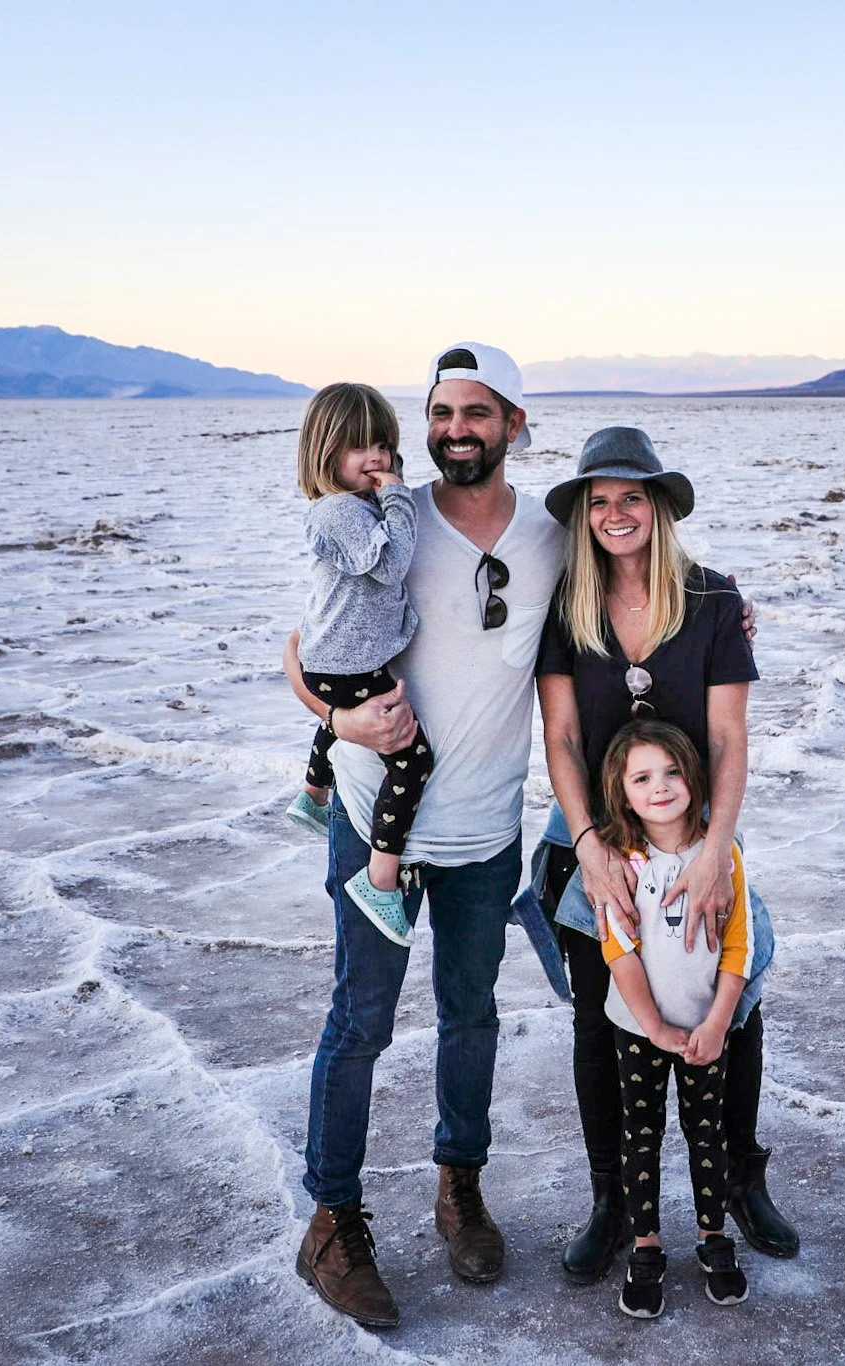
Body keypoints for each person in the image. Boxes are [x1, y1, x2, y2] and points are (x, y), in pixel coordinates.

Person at [282, 343, 560, 1329]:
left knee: (470, 1016)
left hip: (485, 825)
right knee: (360, 1021)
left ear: (513, 423)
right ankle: (331, 1220)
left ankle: (460, 1188)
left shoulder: (550, 534)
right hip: (374, 817)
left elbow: (633, 588)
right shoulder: (381, 519)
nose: (455, 431)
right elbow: (302, 650)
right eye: (441, 414)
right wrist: (337, 721)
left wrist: (722, 608)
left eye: (476, 413)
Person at [534, 425, 800, 1289]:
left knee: (735, 1010)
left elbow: (727, 738)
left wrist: (717, 851)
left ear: (658, 506)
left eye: (631, 497)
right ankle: (612, 1203)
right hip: (594, 840)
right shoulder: (566, 607)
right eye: (599, 501)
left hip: (698, 839)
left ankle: (742, 1182)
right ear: (583, 515)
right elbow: (562, 738)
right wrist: (588, 847)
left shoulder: (713, 600)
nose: (615, 513)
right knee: (600, 1021)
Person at [589, 720, 757, 1316]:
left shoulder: (722, 854)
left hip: (706, 1027)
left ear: (695, 777)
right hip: (639, 1029)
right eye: (641, 778)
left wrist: (717, 1023)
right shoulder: (619, 863)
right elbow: (618, 951)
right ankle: (646, 1243)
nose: (659, 786)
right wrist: (655, 1026)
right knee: (641, 1133)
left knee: (706, 1131)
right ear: (621, 792)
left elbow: (739, 947)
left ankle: (713, 1235)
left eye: (672, 771)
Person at [281, 382, 434, 946]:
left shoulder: (351, 506)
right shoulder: (340, 510)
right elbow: (390, 565)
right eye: (358, 447)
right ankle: (380, 878)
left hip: (338, 658)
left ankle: (313, 796)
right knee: (412, 760)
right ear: (326, 454)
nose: (376, 458)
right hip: (344, 662)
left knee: (343, 722)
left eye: (383, 445)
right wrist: (398, 496)